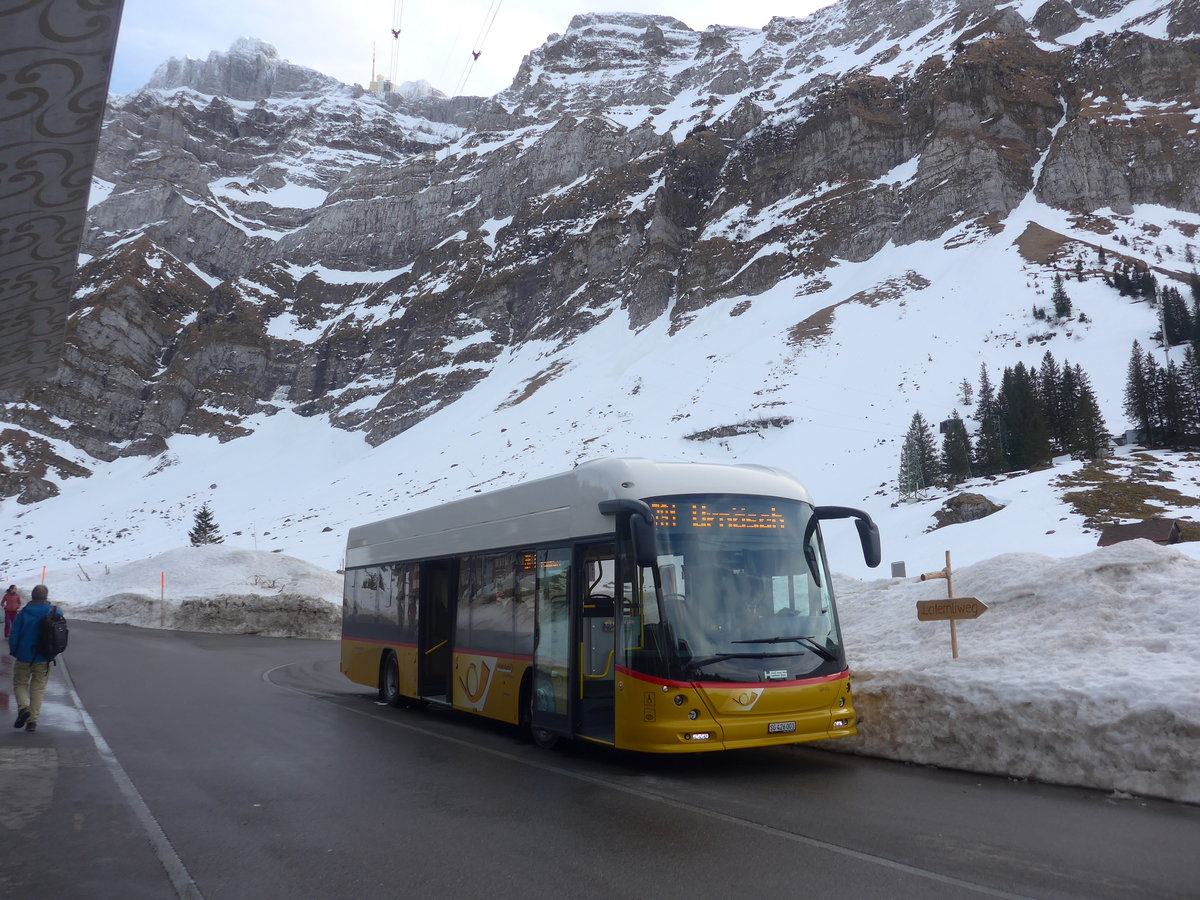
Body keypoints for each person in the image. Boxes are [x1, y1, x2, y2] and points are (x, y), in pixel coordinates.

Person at [9, 584, 55, 733]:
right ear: (46, 596)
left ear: (32, 596)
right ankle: (32, 721)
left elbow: (14, 634)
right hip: (44, 656)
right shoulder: (54, 611)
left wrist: (15, 651)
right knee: (38, 688)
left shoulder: (24, 613)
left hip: (23, 655)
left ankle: (23, 708)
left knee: (20, 683)